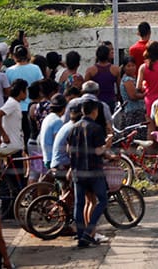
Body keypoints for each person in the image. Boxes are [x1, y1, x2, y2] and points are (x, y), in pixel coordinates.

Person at [67, 99, 110, 248]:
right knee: (102, 200)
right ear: (94, 111)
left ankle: (81, 237)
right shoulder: (96, 128)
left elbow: (68, 150)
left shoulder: (73, 128)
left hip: (78, 171)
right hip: (93, 171)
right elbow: (98, 151)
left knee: (79, 204)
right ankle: (88, 232)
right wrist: (107, 146)